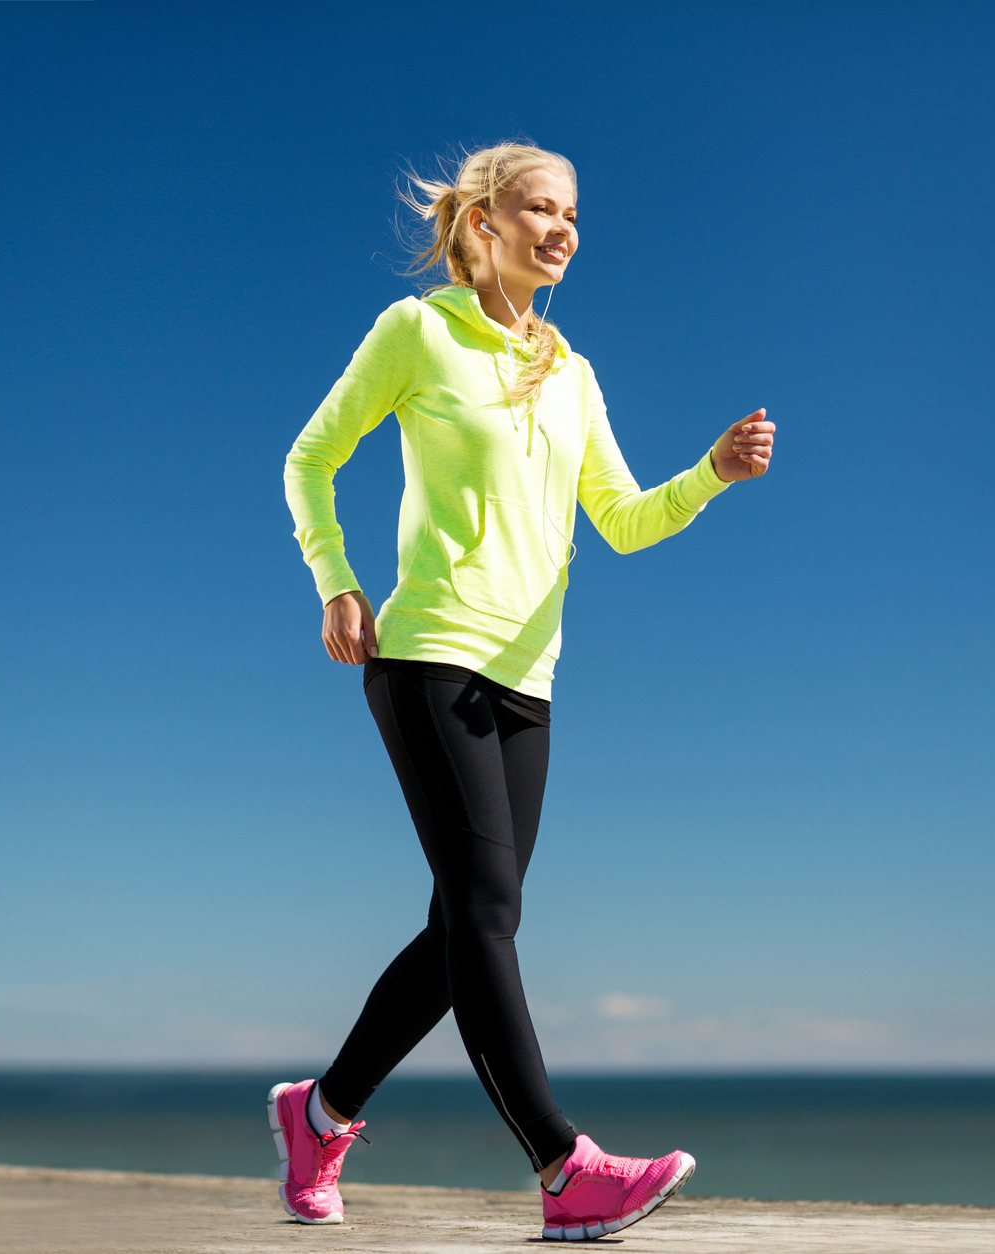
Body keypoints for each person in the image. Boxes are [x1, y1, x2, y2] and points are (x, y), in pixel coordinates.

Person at [272, 142, 773, 1240]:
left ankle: (320, 1113)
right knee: (489, 913)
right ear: (482, 222)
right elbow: (309, 457)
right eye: (539, 208)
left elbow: (624, 524)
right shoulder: (418, 332)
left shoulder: (574, 373)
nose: (561, 228)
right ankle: (564, 1168)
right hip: (427, 654)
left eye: (574, 214)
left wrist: (710, 476)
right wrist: (335, 581)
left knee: (468, 921)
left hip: (526, 676)